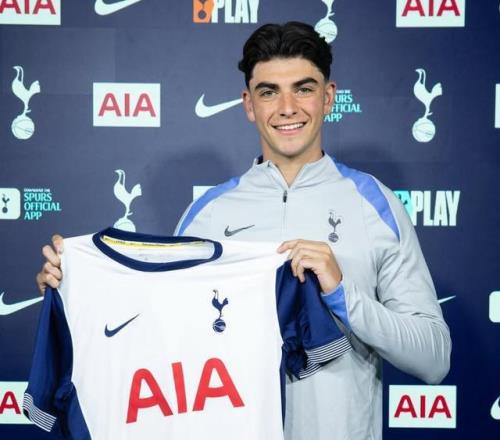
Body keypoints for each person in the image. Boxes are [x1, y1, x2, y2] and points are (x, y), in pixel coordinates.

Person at [36, 22, 451, 440]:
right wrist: (75, 289)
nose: (287, 108)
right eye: (269, 92)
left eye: (303, 89)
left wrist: (343, 294)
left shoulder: (374, 204)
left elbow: (434, 360)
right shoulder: (208, 215)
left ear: (328, 97)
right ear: (249, 104)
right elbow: (155, 339)